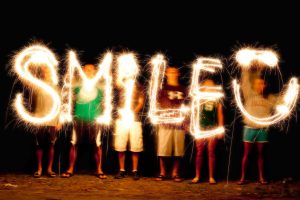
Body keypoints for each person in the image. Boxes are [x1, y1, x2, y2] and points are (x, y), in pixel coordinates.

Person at [62, 64, 106, 179]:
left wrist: (103, 114)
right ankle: (70, 168)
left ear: (95, 72)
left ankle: (99, 169)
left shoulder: (100, 86)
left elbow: (104, 102)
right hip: (79, 118)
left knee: (97, 145)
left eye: (90, 70)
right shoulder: (78, 84)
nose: (88, 71)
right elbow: (68, 93)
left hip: (95, 120)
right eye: (85, 69)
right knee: (74, 144)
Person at [238, 66, 276, 185]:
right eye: (258, 84)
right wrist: (244, 68)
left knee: (261, 155)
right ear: (254, 86)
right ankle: (242, 178)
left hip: (262, 129)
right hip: (249, 128)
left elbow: (282, 101)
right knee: (246, 154)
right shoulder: (249, 94)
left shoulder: (269, 98)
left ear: (265, 86)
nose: (261, 86)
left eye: (262, 84)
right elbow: (245, 81)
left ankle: (261, 178)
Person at [155, 66, 187, 182]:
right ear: (166, 74)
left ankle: (175, 173)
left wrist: (186, 122)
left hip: (179, 123)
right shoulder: (161, 89)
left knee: (178, 150)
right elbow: (156, 104)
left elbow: (187, 106)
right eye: (170, 72)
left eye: (174, 72)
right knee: (163, 149)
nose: (172, 74)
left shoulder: (184, 89)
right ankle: (162, 172)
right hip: (165, 123)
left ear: (178, 74)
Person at [191, 79, 224, 184]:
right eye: (207, 86)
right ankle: (197, 176)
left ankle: (211, 177)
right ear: (203, 87)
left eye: (211, 86)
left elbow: (220, 113)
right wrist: (193, 126)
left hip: (212, 129)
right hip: (200, 128)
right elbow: (194, 113)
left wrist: (220, 128)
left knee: (211, 151)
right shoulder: (198, 99)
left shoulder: (217, 99)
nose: (209, 88)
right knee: (199, 151)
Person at [33, 66, 61, 178]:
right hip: (39, 119)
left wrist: (60, 121)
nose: (47, 74)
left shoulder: (57, 88)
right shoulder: (38, 86)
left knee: (51, 145)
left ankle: (49, 169)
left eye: (49, 71)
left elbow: (60, 105)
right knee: (39, 145)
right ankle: (39, 169)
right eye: (45, 72)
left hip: (53, 120)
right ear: (42, 74)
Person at [114, 83, 145, 180]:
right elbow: (114, 81)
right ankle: (122, 170)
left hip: (134, 119)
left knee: (135, 146)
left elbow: (141, 102)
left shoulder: (139, 87)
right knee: (120, 145)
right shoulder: (121, 85)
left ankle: (135, 170)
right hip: (121, 119)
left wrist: (131, 113)